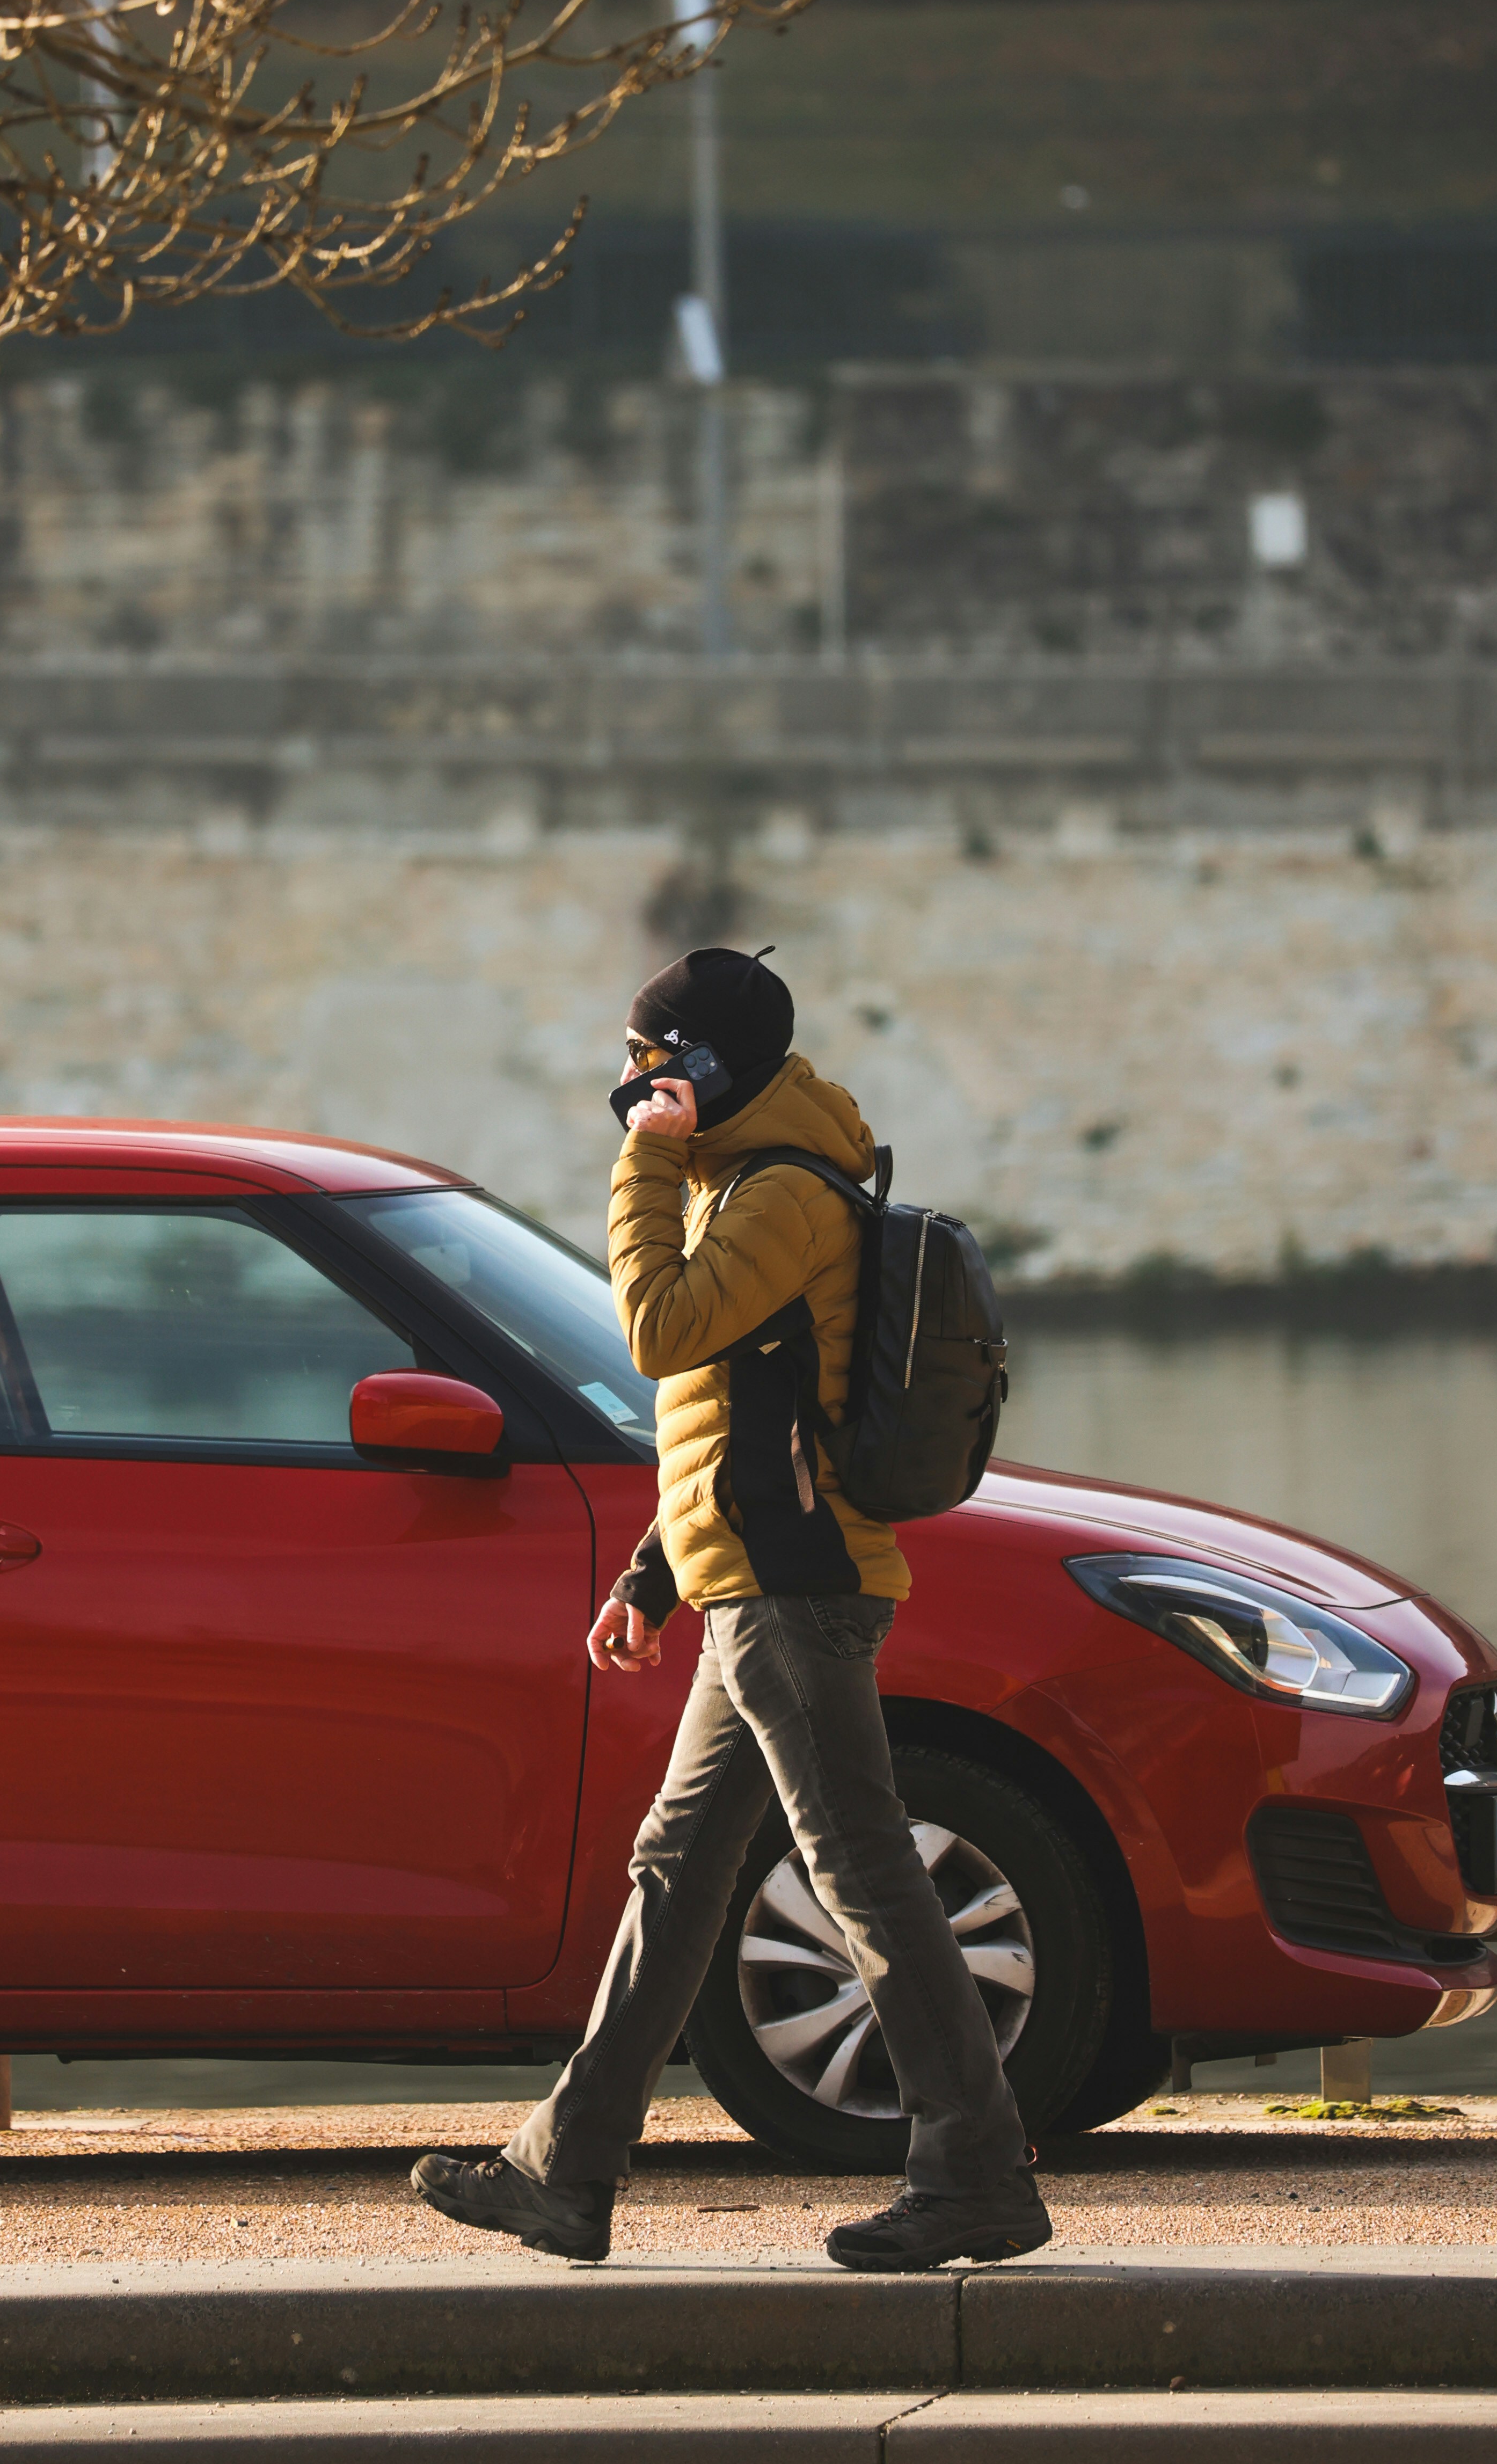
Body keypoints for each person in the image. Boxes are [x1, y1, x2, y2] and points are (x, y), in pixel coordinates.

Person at [411, 945, 1049, 2272]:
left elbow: (657, 1331)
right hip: (749, 1581)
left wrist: (642, 1163)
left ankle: (977, 2173)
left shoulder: (781, 1195)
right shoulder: (750, 1184)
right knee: (678, 1869)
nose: (630, 1080)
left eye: (648, 1058)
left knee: (861, 1870)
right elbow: (742, 1415)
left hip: (794, 1593)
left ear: (704, 1065)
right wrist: (654, 1577)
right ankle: (565, 2173)